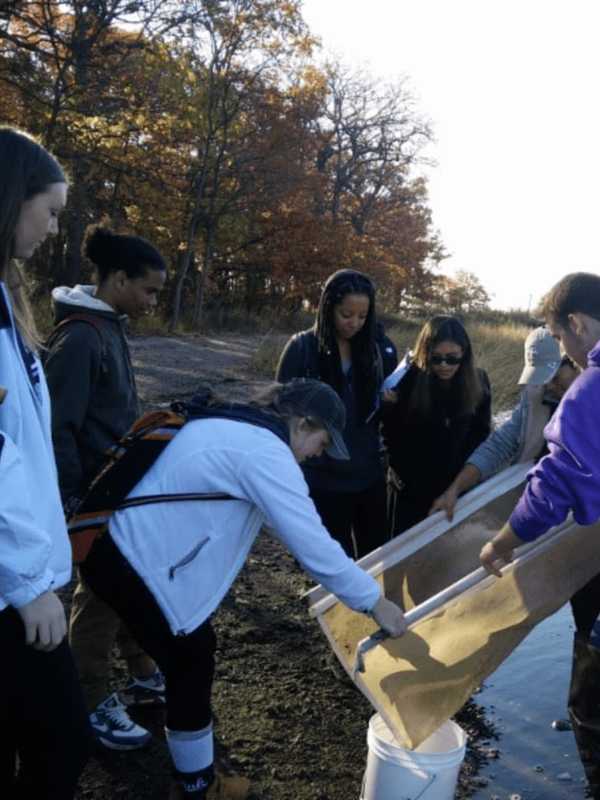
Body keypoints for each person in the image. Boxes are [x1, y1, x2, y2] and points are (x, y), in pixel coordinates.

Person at [77, 378, 407, 799]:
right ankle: (198, 786)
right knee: (191, 660)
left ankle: (189, 765)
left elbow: (289, 528)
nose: (318, 455)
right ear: (303, 424)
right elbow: (313, 545)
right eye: (321, 443)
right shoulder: (264, 452)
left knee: (189, 652)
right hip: (128, 556)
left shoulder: (241, 428)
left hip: (118, 545)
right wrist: (375, 603)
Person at [44, 224, 167, 750]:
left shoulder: (110, 326)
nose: (152, 301)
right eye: (149, 290)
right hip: (92, 500)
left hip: (120, 492)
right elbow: (58, 429)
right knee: (97, 600)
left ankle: (142, 670)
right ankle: (90, 702)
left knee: (131, 584)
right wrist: (75, 501)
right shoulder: (78, 338)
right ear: (118, 279)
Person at [479, 273, 600, 798]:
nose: (564, 350)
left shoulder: (590, 392)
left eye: (558, 336)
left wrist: (503, 540)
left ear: (576, 323)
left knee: (591, 706)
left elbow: (557, 480)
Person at [0, 127, 92, 797]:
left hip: (17, 576)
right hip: (11, 584)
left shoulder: (6, 300)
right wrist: (29, 579)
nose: (54, 228)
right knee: (61, 742)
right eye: (51, 209)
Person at [276, 269, 397, 559]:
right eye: (346, 314)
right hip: (320, 479)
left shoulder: (381, 349)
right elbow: (279, 411)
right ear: (328, 308)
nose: (354, 323)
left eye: (362, 316)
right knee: (331, 560)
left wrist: (392, 401)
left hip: (368, 476)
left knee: (377, 559)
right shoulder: (301, 348)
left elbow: (393, 415)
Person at [430, 326, 579, 521]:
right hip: (534, 499)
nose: (549, 386)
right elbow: (499, 444)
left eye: (556, 376)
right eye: (543, 379)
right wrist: (455, 489)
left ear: (577, 362)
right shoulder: (534, 396)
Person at [382, 315, 492, 536]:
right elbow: (391, 438)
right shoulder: (407, 380)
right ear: (425, 353)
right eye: (436, 358)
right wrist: (388, 407)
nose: (444, 365)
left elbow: (480, 435)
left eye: (452, 359)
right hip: (410, 491)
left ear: (465, 354)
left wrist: (461, 484)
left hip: (457, 489)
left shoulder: (478, 382)